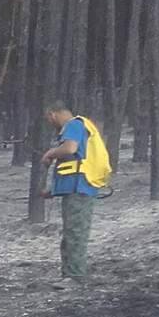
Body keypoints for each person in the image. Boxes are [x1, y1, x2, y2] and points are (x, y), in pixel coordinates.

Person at [41, 102, 107, 279]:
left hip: (80, 188)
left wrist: (50, 153)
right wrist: (53, 190)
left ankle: (75, 277)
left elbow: (70, 148)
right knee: (72, 233)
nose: (49, 122)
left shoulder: (73, 125)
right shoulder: (79, 126)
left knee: (75, 234)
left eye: (48, 118)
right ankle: (69, 275)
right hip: (77, 188)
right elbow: (73, 163)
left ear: (52, 114)